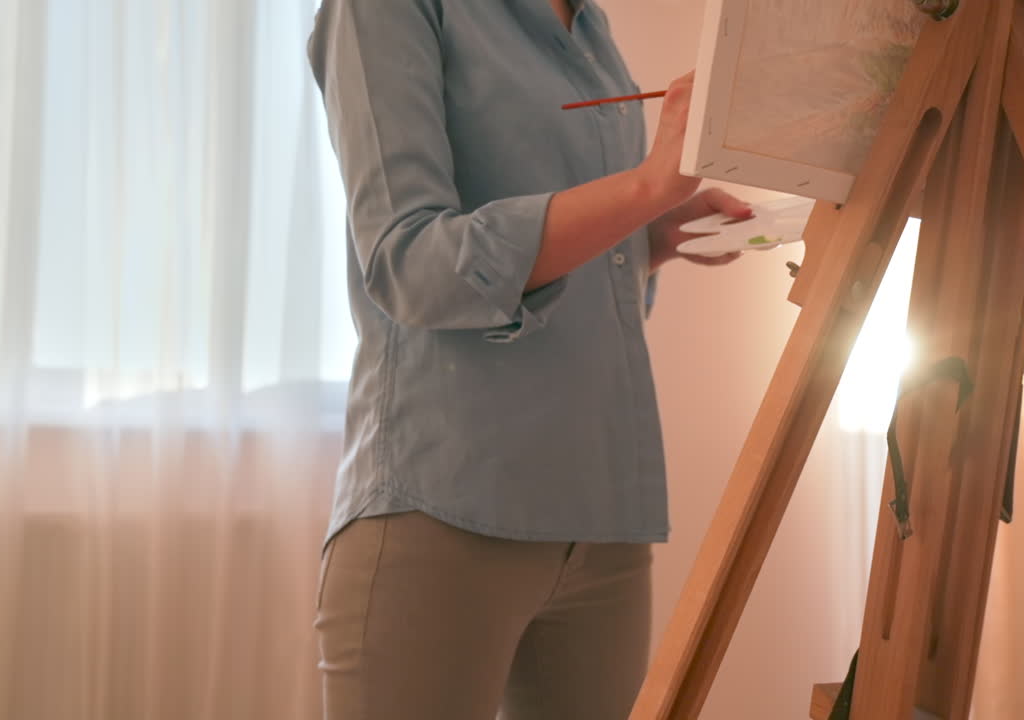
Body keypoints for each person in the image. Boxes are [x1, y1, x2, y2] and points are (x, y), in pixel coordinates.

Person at [307, 1, 752, 718]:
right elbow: (409, 262)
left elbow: (586, 286)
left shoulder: (591, 28)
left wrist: (643, 237)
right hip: (442, 510)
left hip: (603, 522)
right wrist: (640, 191)